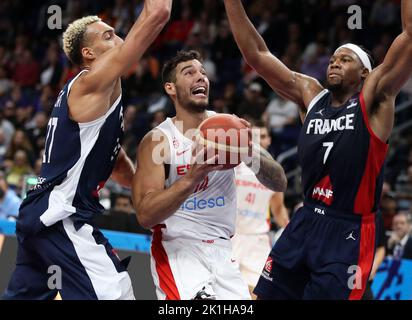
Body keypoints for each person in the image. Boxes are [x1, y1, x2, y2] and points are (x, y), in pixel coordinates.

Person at [224, 0, 412, 299]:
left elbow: (409, 35)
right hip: (306, 218)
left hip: (348, 230)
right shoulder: (312, 96)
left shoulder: (375, 101)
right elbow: (257, 55)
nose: (334, 62)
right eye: (333, 58)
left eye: (345, 59)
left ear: (365, 73)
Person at [3, 0, 172, 300]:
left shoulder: (102, 97)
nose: (119, 38)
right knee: (117, 295)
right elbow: (158, 13)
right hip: (60, 217)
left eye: (116, 32)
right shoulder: (90, 83)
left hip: (42, 217)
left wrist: (146, 199)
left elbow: (115, 161)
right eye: (107, 36)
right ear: (88, 54)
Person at [132, 50, 287, 300]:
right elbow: (145, 215)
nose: (200, 77)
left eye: (203, 72)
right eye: (189, 72)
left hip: (224, 250)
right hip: (178, 249)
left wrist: (249, 151)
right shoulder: (158, 140)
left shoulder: (227, 127)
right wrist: (193, 177)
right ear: (170, 88)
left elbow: (279, 181)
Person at [232, 120, 289, 299]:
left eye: (262, 136)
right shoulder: (232, 167)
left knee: (257, 295)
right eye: (254, 137)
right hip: (228, 238)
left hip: (257, 241)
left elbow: (278, 209)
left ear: (269, 140)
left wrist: (291, 232)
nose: (259, 140)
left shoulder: (275, 176)